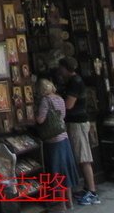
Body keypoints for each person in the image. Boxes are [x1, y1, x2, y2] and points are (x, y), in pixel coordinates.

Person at [56, 57, 100, 205]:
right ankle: (87, 187)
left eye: (61, 68)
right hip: (76, 122)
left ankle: (92, 191)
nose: (59, 71)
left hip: (77, 123)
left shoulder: (75, 82)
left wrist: (55, 101)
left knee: (83, 157)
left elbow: (69, 105)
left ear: (66, 68)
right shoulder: (73, 81)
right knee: (81, 155)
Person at [36, 78, 78, 210]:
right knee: (65, 171)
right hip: (64, 138)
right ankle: (69, 202)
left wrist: (33, 117)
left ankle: (61, 204)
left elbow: (41, 119)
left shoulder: (45, 100)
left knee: (57, 172)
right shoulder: (59, 99)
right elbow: (63, 116)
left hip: (53, 140)